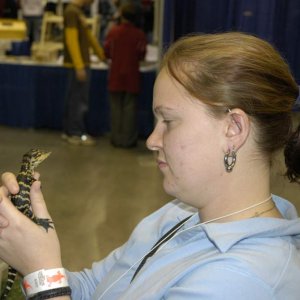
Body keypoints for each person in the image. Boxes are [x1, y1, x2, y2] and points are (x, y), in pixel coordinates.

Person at [0, 32, 300, 299]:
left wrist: (44, 276)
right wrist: (27, 247)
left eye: (168, 121)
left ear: (233, 128)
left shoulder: (244, 279)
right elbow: (95, 288)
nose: (152, 140)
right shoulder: (178, 215)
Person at [62, 0, 106, 146]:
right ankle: (75, 133)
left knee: (75, 98)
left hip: (80, 63)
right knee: (78, 100)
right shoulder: (71, 12)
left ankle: (70, 130)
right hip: (78, 65)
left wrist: (102, 56)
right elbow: (71, 40)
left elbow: (88, 37)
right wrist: (79, 66)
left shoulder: (76, 12)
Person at [104, 2, 147, 148]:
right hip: (132, 75)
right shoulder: (139, 34)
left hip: (115, 74)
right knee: (130, 109)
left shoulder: (113, 32)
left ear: (122, 16)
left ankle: (116, 138)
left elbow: (107, 51)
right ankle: (128, 140)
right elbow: (141, 54)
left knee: (115, 108)